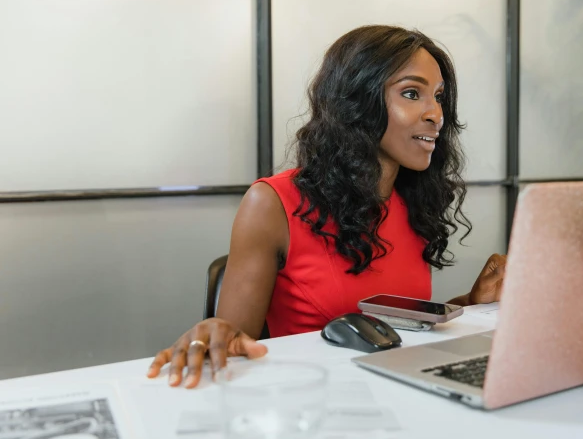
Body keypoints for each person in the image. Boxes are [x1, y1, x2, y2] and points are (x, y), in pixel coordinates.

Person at [147, 25, 507, 388]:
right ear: (357, 100)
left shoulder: (411, 203)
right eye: (412, 93)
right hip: (308, 399)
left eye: (439, 96)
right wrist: (214, 332)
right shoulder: (273, 203)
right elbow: (237, 343)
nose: (435, 114)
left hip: (396, 394)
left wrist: (474, 303)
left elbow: (393, 327)